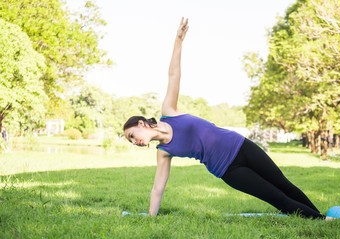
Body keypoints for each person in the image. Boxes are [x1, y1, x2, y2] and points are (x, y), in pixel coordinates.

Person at [123, 17, 326, 219]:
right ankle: (324, 220)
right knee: (275, 197)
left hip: (242, 145)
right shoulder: (163, 152)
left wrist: (178, 41)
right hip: (229, 170)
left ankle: (320, 216)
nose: (135, 142)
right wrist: (151, 216)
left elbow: (173, 74)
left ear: (141, 123)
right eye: (131, 141)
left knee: (283, 184)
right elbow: (158, 187)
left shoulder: (169, 111)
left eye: (132, 135)